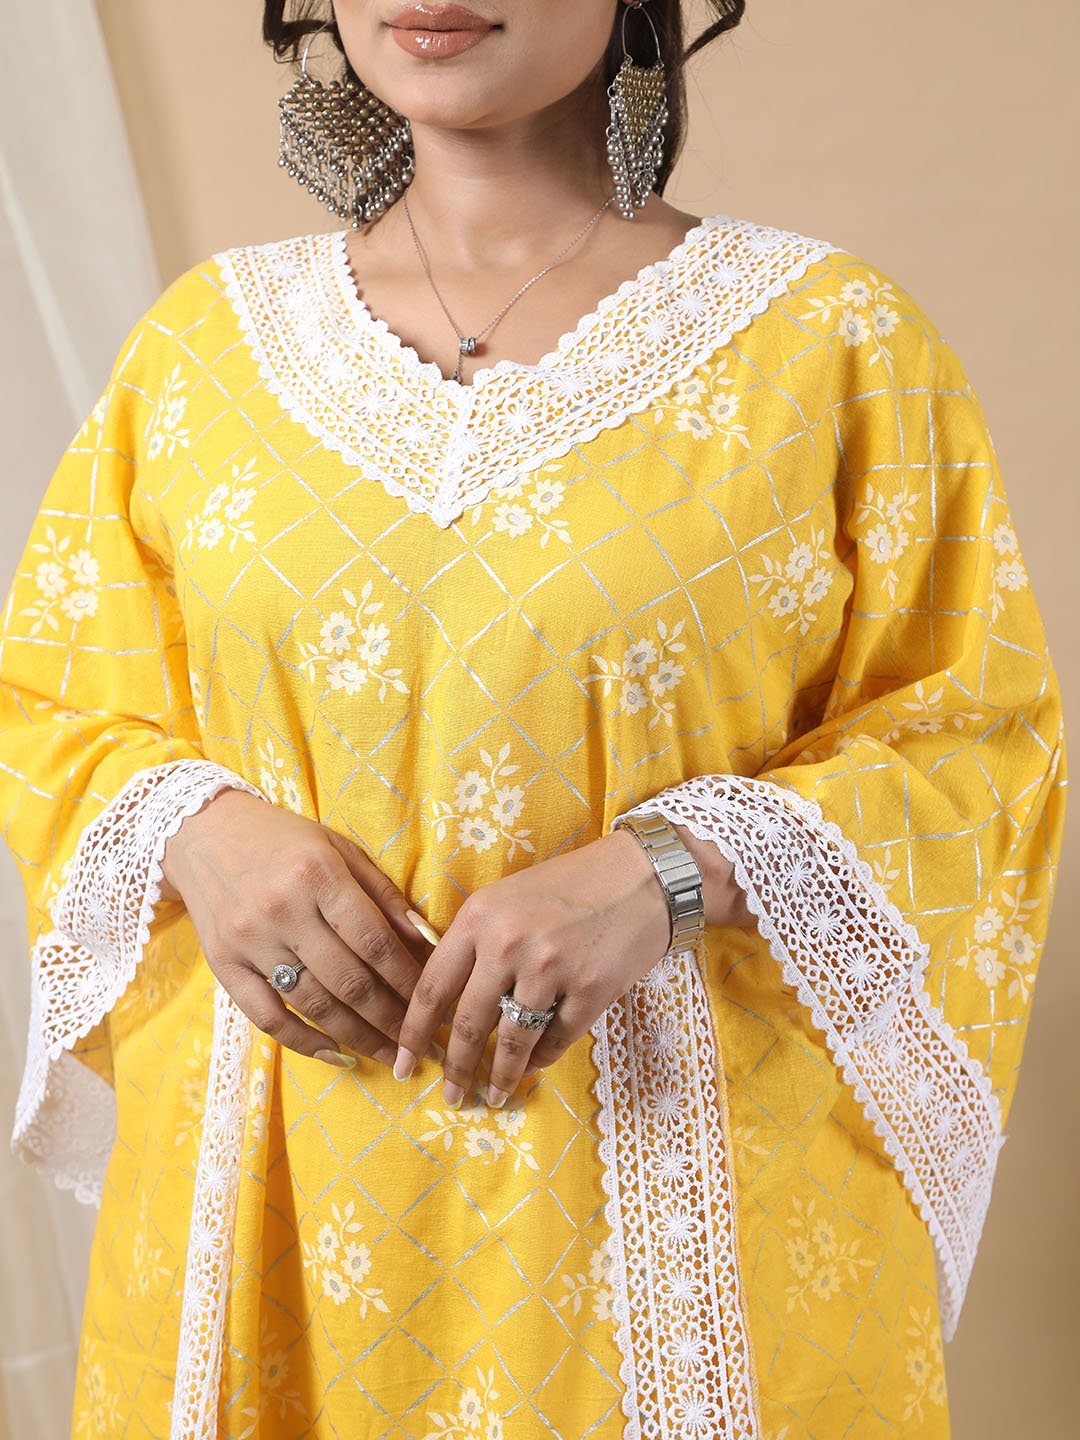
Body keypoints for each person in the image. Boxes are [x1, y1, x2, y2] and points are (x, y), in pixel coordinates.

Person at [0, 0, 1065, 1435]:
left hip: (695, 1233)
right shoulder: (202, 353)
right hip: (273, 1216)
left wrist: (668, 870)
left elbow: (978, 747)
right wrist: (195, 827)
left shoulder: (829, 342)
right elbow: (52, 704)